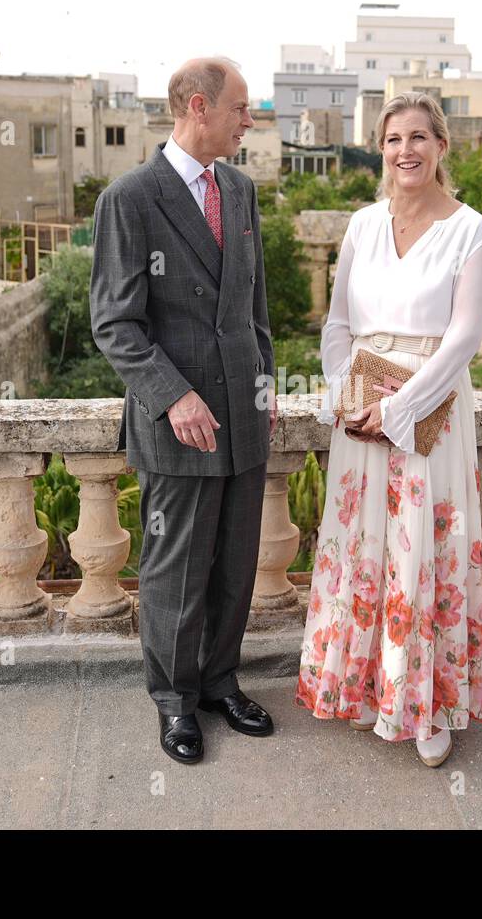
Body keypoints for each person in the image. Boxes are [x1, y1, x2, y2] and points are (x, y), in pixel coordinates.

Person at [294, 91, 482, 767]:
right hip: (359, 404)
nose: (405, 150)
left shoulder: (471, 230)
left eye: (418, 137)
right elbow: (337, 324)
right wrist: (342, 394)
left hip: (430, 409)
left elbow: (464, 336)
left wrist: (401, 407)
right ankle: (365, 687)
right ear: (380, 150)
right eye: (392, 139)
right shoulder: (361, 224)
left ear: (441, 146)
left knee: (421, 550)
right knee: (363, 546)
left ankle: (427, 709)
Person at [90, 56, 277, 765]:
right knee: (175, 570)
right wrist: (174, 397)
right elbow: (115, 323)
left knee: (235, 563)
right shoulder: (131, 198)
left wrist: (265, 386)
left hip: (243, 413)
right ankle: (174, 701)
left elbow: (252, 306)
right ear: (199, 107)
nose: (248, 120)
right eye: (239, 107)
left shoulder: (241, 190)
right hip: (180, 424)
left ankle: (221, 683)